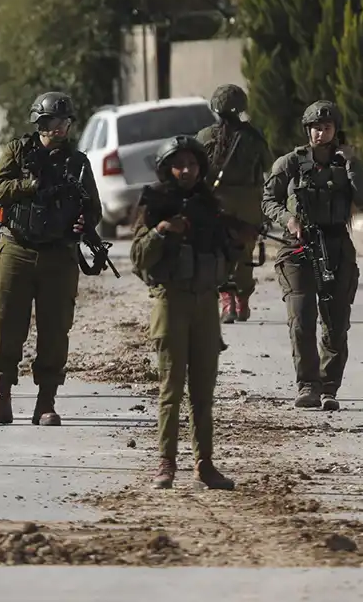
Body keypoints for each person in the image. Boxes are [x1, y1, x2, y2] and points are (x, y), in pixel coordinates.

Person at [0, 91, 102, 427]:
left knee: (55, 329)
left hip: (59, 254)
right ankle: (0, 400)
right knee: (4, 324)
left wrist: (83, 224)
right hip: (15, 247)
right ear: (38, 122)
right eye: (49, 122)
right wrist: (29, 184)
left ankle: (46, 402)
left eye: (63, 122)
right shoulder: (18, 152)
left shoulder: (77, 164)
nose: (56, 129)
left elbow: (93, 210)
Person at [132, 135, 238, 490]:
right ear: (167, 168)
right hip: (170, 302)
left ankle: (205, 462)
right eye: (179, 164)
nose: (186, 171)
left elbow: (227, 253)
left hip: (205, 303)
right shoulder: (154, 204)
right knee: (171, 389)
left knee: (204, 391)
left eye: (192, 164)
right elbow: (137, 258)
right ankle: (166, 462)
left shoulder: (209, 204)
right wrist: (162, 232)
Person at [261, 101, 363, 410]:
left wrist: (352, 164)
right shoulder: (290, 164)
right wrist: (288, 220)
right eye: (314, 127)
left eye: (325, 128)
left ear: (336, 130)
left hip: (336, 244)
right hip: (297, 247)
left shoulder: (345, 164)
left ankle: (329, 386)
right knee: (301, 317)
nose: (319, 133)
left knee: (336, 322)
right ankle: (307, 384)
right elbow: (268, 200)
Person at [195, 84, 272, 324]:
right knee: (245, 255)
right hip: (248, 205)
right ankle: (243, 302)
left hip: (217, 205)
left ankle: (227, 302)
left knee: (219, 252)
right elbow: (267, 164)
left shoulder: (205, 136)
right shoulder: (253, 137)